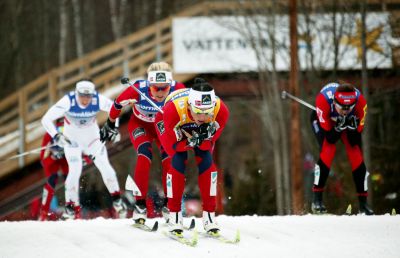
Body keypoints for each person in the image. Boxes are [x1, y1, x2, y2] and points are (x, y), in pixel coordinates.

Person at [100, 62, 185, 225]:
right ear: (149, 85)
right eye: (155, 88)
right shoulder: (138, 88)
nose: (160, 93)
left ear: (170, 85)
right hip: (141, 125)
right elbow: (117, 104)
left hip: (162, 126)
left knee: (169, 160)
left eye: (164, 88)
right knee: (144, 156)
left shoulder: (178, 88)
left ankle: (170, 205)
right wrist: (110, 124)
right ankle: (140, 206)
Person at [41, 79, 126, 220]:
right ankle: (70, 208)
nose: (85, 100)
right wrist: (56, 136)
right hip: (72, 140)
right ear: (76, 93)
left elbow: (114, 107)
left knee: (104, 165)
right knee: (74, 170)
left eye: (88, 96)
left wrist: (113, 128)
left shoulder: (97, 99)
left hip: (92, 139)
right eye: (82, 96)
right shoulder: (68, 101)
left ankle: (117, 201)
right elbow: (46, 119)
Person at [154, 77, 229, 235]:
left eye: (207, 113)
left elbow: (208, 145)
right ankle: (175, 215)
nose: (202, 117)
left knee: (207, 161)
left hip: (191, 130)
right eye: (198, 112)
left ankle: (209, 216)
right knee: (178, 160)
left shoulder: (221, 111)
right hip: (172, 123)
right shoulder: (172, 111)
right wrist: (192, 140)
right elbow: (175, 146)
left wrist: (201, 139)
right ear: (189, 105)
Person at [310, 81, 374, 215]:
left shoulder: (361, 105)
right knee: (328, 150)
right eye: (342, 108)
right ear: (334, 103)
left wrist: (351, 128)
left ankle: (363, 204)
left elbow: (354, 140)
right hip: (325, 122)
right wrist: (338, 127)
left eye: (349, 108)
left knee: (355, 153)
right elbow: (330, 138)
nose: (345, 111)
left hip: (346, 124)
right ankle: (317, 201)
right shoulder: (323, 101)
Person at [38, 118, 69, 221]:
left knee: (70, 179)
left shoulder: (72, 133)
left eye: (65, 128)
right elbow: (43, 162)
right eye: (60, 128)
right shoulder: (48, 136)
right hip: (53, 158)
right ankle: (44, 212)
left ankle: (73, 209)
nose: (62, 131)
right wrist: (53, 157)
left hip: (66, 158)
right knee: (52, 179)